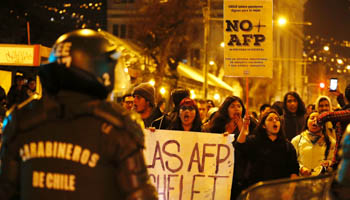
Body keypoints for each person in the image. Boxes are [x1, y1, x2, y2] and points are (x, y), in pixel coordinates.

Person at [0, 29, 157, 200]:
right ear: (100, 69)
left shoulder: (21, 120)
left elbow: (6, 191)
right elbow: (141, 196)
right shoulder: (118, 127)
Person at [206, 96, 256, 200]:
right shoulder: (218, 124)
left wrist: (244, 129)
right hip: (222, 174)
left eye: (239, 106)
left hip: (242, 174)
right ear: (226, 109)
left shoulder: (250, 124)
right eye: (232, 106)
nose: (236, 108)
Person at [235, 110, 299, 187]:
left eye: (277, 119)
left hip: (280, 191)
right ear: (263, 125)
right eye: (270, 119)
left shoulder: (287, 146)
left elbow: (294, 171)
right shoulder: (254, 141)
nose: (274, 121)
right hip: (257, 190)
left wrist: (289, 192)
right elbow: (240, 145)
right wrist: (244, 127)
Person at [291, 111, 335, 177]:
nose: (315, 120)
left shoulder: (331, 141)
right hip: (301, 180)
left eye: (318, 119)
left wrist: (328, 163)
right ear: (307, 122)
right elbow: (292, 161)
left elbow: (333, 160)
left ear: (323, 124)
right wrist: (301, 168)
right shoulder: (297, 140)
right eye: (312, 118)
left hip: (322, 180)